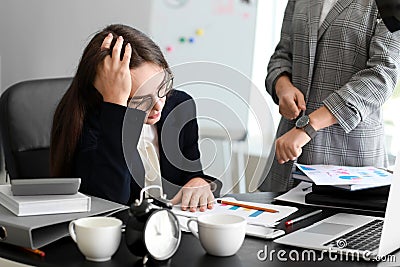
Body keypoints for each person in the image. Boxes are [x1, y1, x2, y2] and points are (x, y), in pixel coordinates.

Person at [50, 24, 217, 211]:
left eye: (162, 86)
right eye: (140, 100)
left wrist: (198, 181)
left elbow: (190, 172)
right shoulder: (86, 124)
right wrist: (115, 107)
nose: (158, 105)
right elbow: (111, 201)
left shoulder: (178, 106)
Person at [262, 0, 400, 191]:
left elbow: (381, 76)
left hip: (349, 162)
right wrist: (282, 85)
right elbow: (282, 55)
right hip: (287, 158)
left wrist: (308, 127)